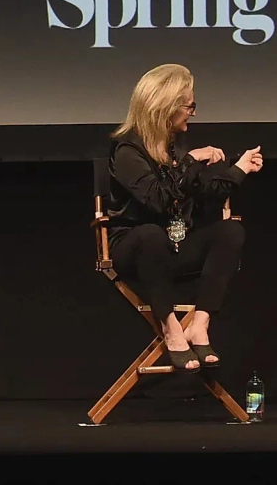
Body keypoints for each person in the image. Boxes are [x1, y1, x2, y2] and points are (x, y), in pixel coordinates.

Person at [105, 64, 263, 371]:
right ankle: (171, 327)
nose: (192, 112)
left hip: (174, 245)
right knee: (151, 234)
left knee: (230, 232)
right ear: (165, 106)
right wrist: (192, 162)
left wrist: (239, 168)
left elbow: (203, 194)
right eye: (189, 105)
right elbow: (159, 201)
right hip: (135, 248)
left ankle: (199, 324)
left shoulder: (175, 148)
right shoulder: (126, 149)